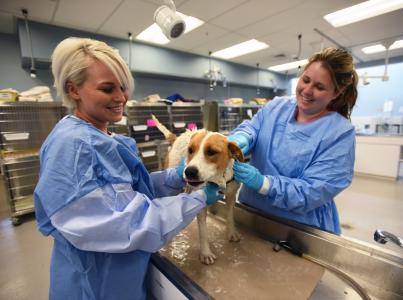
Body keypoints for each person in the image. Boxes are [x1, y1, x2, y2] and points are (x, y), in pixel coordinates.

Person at [34, 37, 223, 300]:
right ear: (73, 89)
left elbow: (125, 193)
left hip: (121, 276)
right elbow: (128, 223)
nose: (121, 97)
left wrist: (173, 178)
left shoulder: (102, 137)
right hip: (97, 284)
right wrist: (198, 199)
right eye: (107, 88)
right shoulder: (75, 146)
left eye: (123, 87)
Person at [229, 47, 358, 234]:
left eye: (320, 87)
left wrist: (264, 184)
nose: (307, 90)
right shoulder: (277, 107)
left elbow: (313, 191)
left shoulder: (339, 133)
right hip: (251, 212)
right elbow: (253, 127)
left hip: (298, 227)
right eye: (305, 80)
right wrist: (243, 137)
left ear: (336, 93)